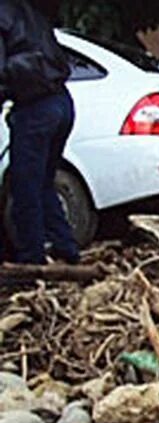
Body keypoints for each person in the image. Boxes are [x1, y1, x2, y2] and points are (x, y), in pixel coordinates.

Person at [0, 0, 79, 268]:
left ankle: (31, 261)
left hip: (35, 108)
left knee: (25, 187)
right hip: (62, 102)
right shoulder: (28, 10)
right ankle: (66, 248)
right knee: (43, 182)